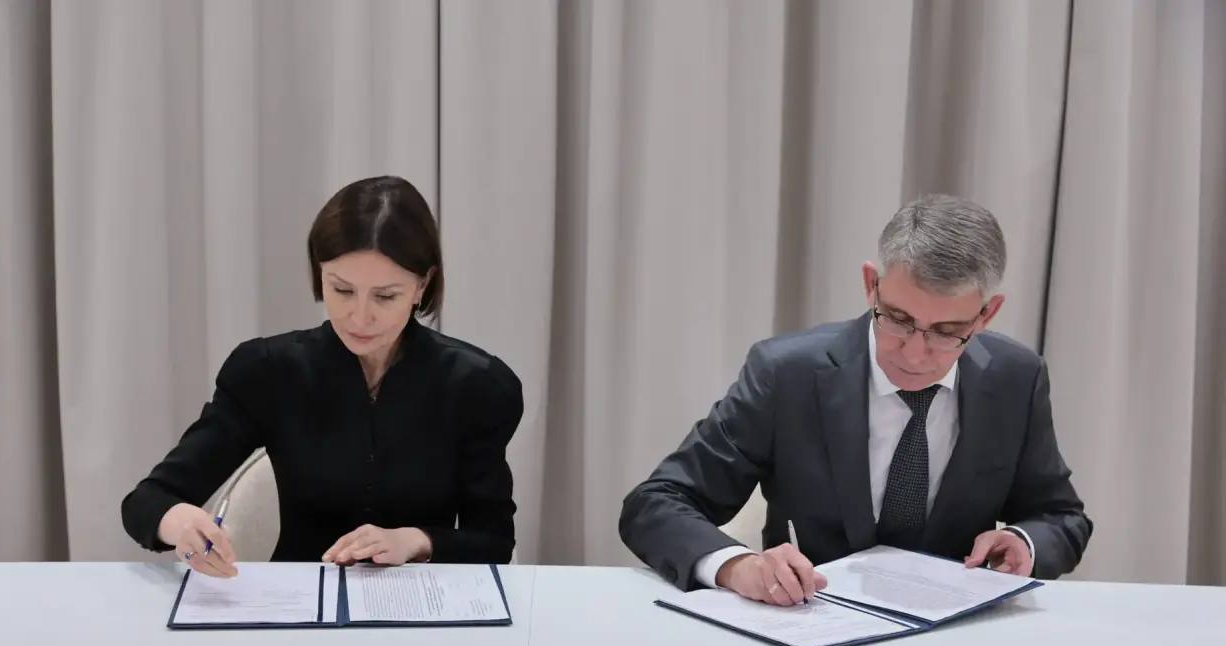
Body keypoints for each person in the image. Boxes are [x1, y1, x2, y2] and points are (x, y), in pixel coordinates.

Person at [619, 194, 1092, 605]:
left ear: (987, 313)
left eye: (948, 332)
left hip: (952, 637)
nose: (915, 353)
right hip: (808, 627)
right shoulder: (787, 374)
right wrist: (736, 566)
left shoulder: (1015, 379)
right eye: (898, 319)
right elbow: (656, 503)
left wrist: (1024, 542)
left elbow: (1061, 517)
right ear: (872, 285)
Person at [122, 176, 523, 577]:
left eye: (385, 296)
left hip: (421, 600)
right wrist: (180, 522)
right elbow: (147, 500)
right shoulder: (266, 372)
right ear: (319, 275)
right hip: (297, 600)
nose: (360, 317)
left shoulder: (478, 386)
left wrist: (417, 541)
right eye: (342, 290)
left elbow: (493, 542)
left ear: (422, 285)